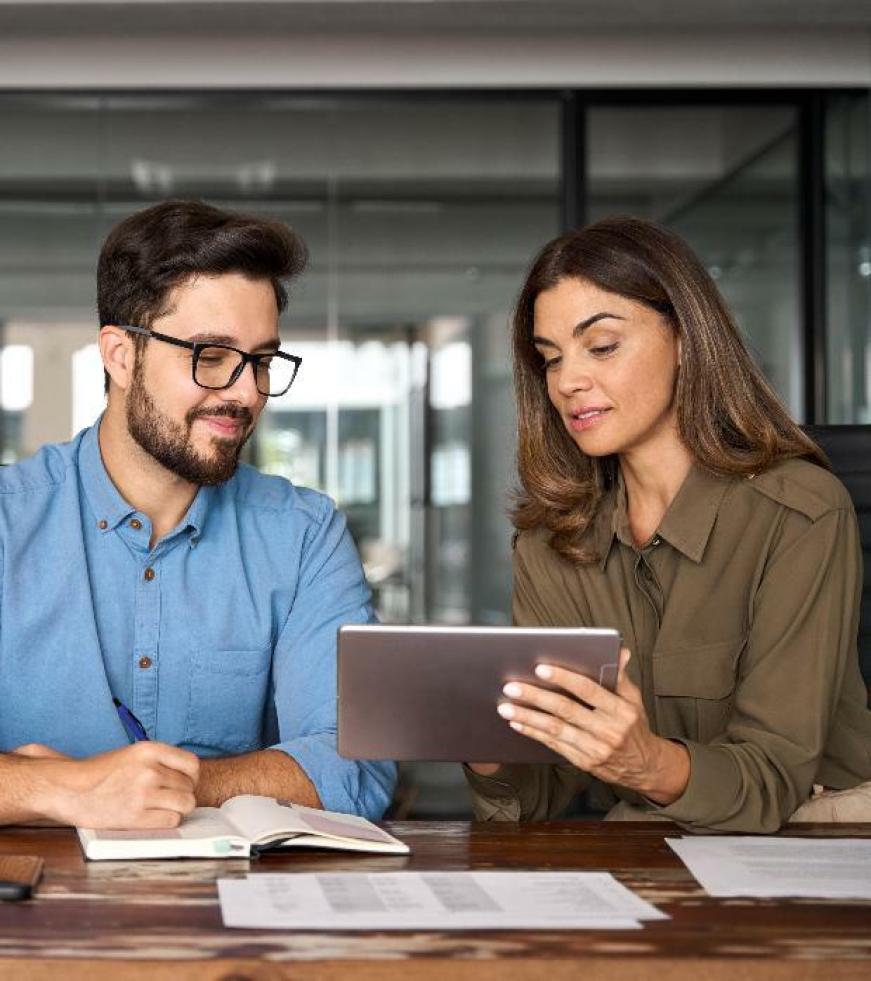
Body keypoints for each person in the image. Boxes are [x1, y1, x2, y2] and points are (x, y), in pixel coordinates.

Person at [465, 216, 871, 832]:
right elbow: (543, 793)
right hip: (649, 845)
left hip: (813, 835)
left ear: (685, 340)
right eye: (550, 359)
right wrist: (487, 747)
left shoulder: (801, 513)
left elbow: (773, 778)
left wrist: (645, 763)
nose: (569, 381)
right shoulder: (552, 542)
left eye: (601, 347)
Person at [0, 199, 396, 829]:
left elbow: (357, 766)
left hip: (237, 910)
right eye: (210, 356)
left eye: (262, 361)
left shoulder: (303, 534)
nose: (246, 392)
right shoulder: (7, 522)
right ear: (120, 356)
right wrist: (68, 788)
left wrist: (166, 786)